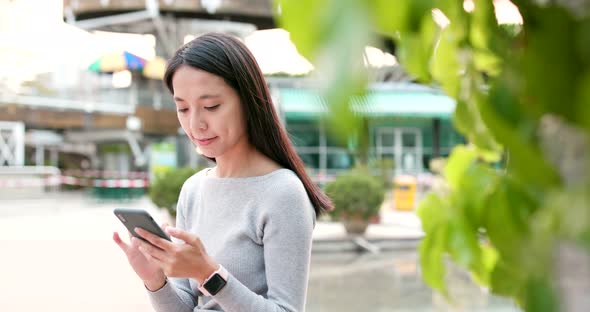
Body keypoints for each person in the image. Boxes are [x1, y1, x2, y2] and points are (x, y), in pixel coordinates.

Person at [113, 32, 333, 312]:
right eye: (182, 108)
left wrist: (208, 273)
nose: (195, 124)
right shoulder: (193, 190)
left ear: (248, 101)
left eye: (211, 107)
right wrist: (155, 280)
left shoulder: (283, 193)